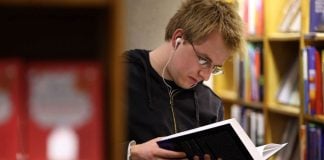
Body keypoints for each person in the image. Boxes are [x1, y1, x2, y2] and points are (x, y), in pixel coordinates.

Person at [124, 0, 244, 159]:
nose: (206, 76)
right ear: (178, 39)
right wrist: (131, 152)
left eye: (215, 67)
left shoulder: (210, 105)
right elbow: (84, 146)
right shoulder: (120, 77)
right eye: (203, 60)